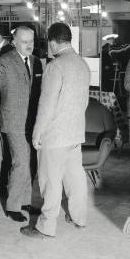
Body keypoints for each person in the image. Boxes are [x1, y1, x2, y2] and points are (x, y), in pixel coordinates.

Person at [21, 23, 90, 238]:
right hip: (75, 132)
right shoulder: (82, 64)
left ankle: (46, 227)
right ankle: (79, 218)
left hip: (55, 135)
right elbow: (85, 101)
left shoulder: (55, 66)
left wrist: (37, 132)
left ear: (52, 42)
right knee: (75, 178)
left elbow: (46, 105)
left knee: (50, 181)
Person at [0, 26, 42, 222]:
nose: (29, 45)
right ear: (14, 42)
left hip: (32, 120)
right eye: (24, 41)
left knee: (29, 161)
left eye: (31, 41)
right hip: (13, 120)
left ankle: (25, 201)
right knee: (21, 161)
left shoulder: (36, 62)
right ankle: (13, 206)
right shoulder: (6, 62)